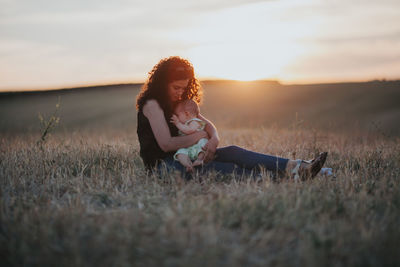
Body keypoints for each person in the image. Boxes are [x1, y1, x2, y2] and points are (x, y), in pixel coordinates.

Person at [136, 56, 327, 181]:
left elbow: (206, 123)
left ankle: (298, 167)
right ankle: (280, 179)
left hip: (192, 154)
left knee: (235, 152)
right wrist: (199, 136)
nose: (180, 93)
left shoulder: (178, 102)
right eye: (175, 88)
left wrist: (214, 139)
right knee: (226, 168)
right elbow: (167, 144)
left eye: (183, 88)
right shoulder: (152, 105)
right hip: (163, 166)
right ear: (162, 83)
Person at [170, 99, 208, 172]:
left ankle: (200, 160)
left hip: (197, 146)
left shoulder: (194, 121)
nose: (177, 118)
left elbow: (189, 130)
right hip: (189, 148)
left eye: (178, 115)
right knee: (180, 152)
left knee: (203, 144)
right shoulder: (184, 124)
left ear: (187, 114)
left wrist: (178, 123)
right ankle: (188, 165)